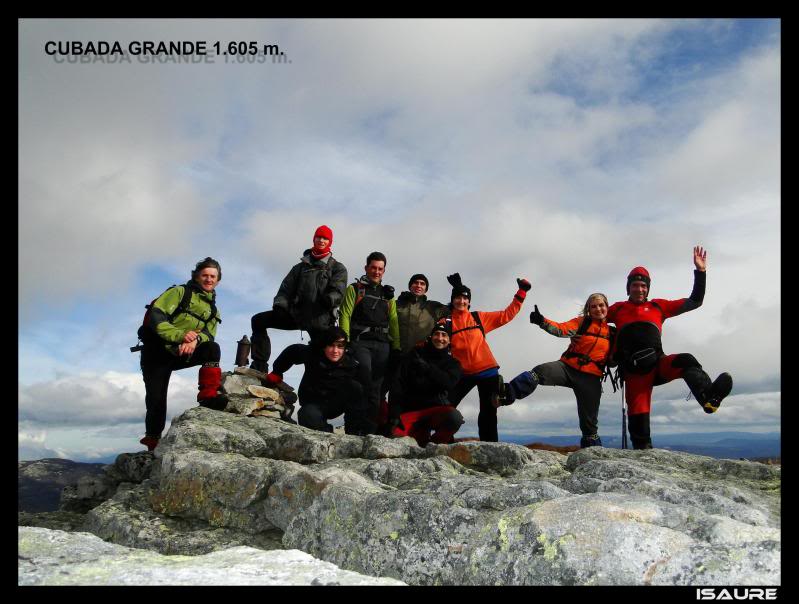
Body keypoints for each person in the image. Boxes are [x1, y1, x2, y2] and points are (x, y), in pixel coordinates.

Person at [606, 246, 733, 449]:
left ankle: (709, 398)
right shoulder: (617, 309)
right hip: (634, 371)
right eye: (635, 285)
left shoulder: (659, 306)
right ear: (628, 288)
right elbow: (592, 318)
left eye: (643, 286)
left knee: (686, 360)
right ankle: (643, 451)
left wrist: (700, 272)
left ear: (648, 288)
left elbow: (695, 301)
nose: (639, 289)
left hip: (658, 364)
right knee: (639, 417)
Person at [498, 293, 613, 448]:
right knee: (539, 372)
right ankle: (505, 394)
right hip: (567, 368)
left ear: (607, 306)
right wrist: (542, 321)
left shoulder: (612, 333)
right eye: (594, 306)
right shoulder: (582, 323)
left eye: (601, 305)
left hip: (591, 378)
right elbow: (561, 329)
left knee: (590, 424)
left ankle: (592, 452)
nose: (598, 309)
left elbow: (615, 359)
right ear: (588, 309)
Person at [138, 257, 225, 451]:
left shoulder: (213, 309)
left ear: (218, 280)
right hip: (156, 353)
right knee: (156, 399)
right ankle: (152, 440)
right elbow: (156, 316)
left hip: (182, 351)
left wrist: (194, 341)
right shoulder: (179, 292)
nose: (209, 279)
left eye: (213, 276)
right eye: (205, 275)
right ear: (196, 276)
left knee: (212, 349)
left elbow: (209, 334)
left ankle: (208, 395)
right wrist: (181, 336)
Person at [249, 225, 348, 373]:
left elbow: (338, 291)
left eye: (325, 238)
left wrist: (329, 299)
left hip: (320, 320)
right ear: (314, 239)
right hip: (297, 315)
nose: (321, 240)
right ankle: (259, 365)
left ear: (330, 242)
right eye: (319, 237)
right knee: (258, 320)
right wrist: (280, 306)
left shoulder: (338, 268)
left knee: (319, 359)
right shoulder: (300, 268)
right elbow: (285, 289)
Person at [446, 273, 530, 442]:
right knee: (446, 407)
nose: (461, 301)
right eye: (457, 298)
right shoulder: (446, 322)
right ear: (452, 300)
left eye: (465, 299)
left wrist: (521, 292)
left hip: (487, 372)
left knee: (488, 412)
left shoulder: (479, 318)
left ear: (469, 302)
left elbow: (506, 315)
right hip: (462, 374)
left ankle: (490, 447)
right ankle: (445, 443)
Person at [263, 326, 370, 435]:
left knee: (356, 388)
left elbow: (364, 391)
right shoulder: (312, 354)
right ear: (324, 346)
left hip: (335, 403)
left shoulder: (351, 363)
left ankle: (354, 434)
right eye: (331, 345)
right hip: (313, 403)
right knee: (307, 415)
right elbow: (292, 352)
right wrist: (277, 372)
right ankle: (326, 434)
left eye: (340, 346)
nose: (335, 351)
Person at [338, 251, 401, 434]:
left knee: (376, 390)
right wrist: (345, 342)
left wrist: (396, 347)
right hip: (360, 343)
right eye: (373, 267)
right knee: (362, 382)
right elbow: (345, 315)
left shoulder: (388, 295)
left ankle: (369, 431)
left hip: (383, 346)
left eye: (380, 268)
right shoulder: (355, 289)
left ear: (384, 270)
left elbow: (394, 320)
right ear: (366, 268)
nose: (376, 271)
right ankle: (352, 428)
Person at [386, 320, 464, 446]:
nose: (440, 338)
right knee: (393, 439)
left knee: (454, 418)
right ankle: (420, 437)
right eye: (436, 334)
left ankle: (434, 446)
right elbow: (397, 384)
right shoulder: (414, 355)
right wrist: (394, 414)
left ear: (449, 340)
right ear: (430, 337)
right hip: (410, 410)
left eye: (444, 335)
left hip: (435, 411)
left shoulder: (453, 364)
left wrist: (428, 369)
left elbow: (448, 382)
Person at [396, 274, 448, 354]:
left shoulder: (433, 307)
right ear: (410, 286)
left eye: (422, 283)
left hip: (421, 356)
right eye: (415, 282)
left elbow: (455, 309)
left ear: (426, 289)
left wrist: (458, 289)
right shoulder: (397, 304)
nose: (418, 285)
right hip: (396, 353)